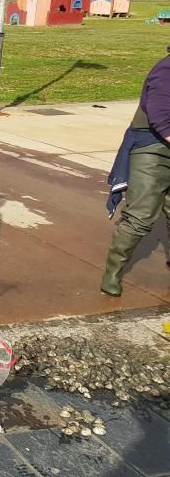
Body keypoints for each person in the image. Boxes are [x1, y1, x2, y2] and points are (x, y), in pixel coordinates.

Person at [102, 45, 170, 296]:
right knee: (141, 214)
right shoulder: (166, 69)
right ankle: (112, 273)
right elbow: (160, 116)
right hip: (151, 146)